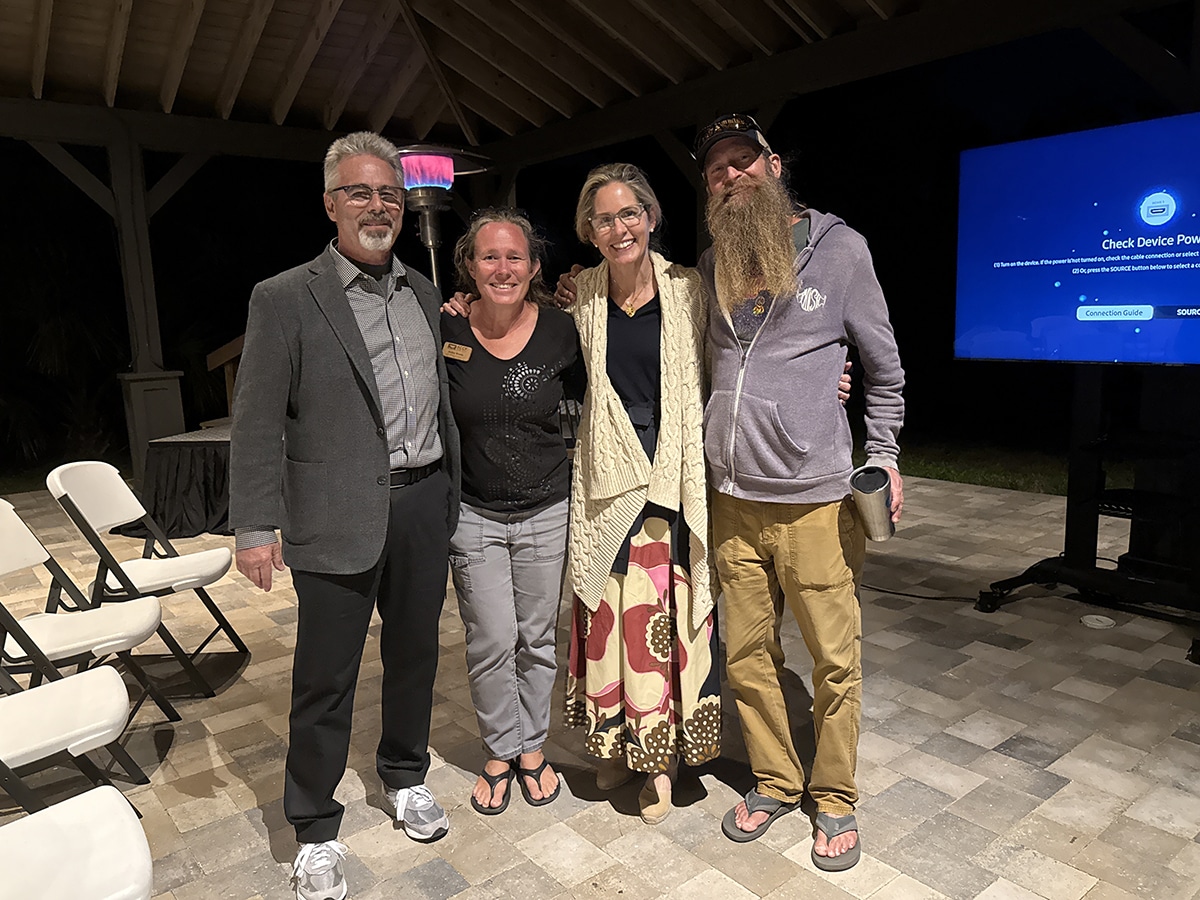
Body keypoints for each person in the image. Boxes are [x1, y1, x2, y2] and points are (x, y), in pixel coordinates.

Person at [229, 131, 460, 900]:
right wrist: (254, 527)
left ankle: (405, 775)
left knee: (416, 657)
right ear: (330, 204)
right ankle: (315, 827)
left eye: (389, 193)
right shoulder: (284, 297)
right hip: (332, 515)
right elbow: (257, 421)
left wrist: (450, 492)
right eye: (360, 192)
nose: (377, 206)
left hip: (423, 502)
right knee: (324, 680)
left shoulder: (422, 291)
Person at [695, 114, 904, 869]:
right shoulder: (713, 262)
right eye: (717, 168)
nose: (732, 176)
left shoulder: (840, 251)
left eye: (743, 160)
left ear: (774, 165)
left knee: (833, 659)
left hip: (815, 498)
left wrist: (884, 453)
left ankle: (835, 796)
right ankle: (777, 780)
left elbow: (883, 365)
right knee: (747, 656)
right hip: (733, 498)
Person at [562, 163, 721, 826]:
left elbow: (729, 362)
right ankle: (614, 743)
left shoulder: (689, 289)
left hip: (671, 474)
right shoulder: (580, 294)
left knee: (658, 619)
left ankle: (660, 760)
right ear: (590, 231)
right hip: (607, 478)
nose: (619, 227)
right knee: (608, 619)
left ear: (652, 217)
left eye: (630, 213)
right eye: (604, 219)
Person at [440, 209, 584, 815]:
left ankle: (533, 749)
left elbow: (610, 386)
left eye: (515, 257)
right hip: (473, 512)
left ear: (533, 267)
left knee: (538, 638)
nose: (503, 268)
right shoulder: (447, 327)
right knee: (492, 639)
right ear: (470, 266)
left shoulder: (562, 331)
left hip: (547, 509)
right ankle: (501, 749)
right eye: (490, 257)